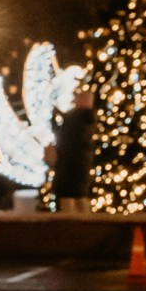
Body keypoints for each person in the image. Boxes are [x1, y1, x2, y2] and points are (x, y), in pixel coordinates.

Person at [51, 80, 94, 208]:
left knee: (70, 199)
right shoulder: (80, 119)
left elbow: (68, 137)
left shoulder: (80, 119)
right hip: (73, 166)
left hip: (71, 166)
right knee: (76, 197)